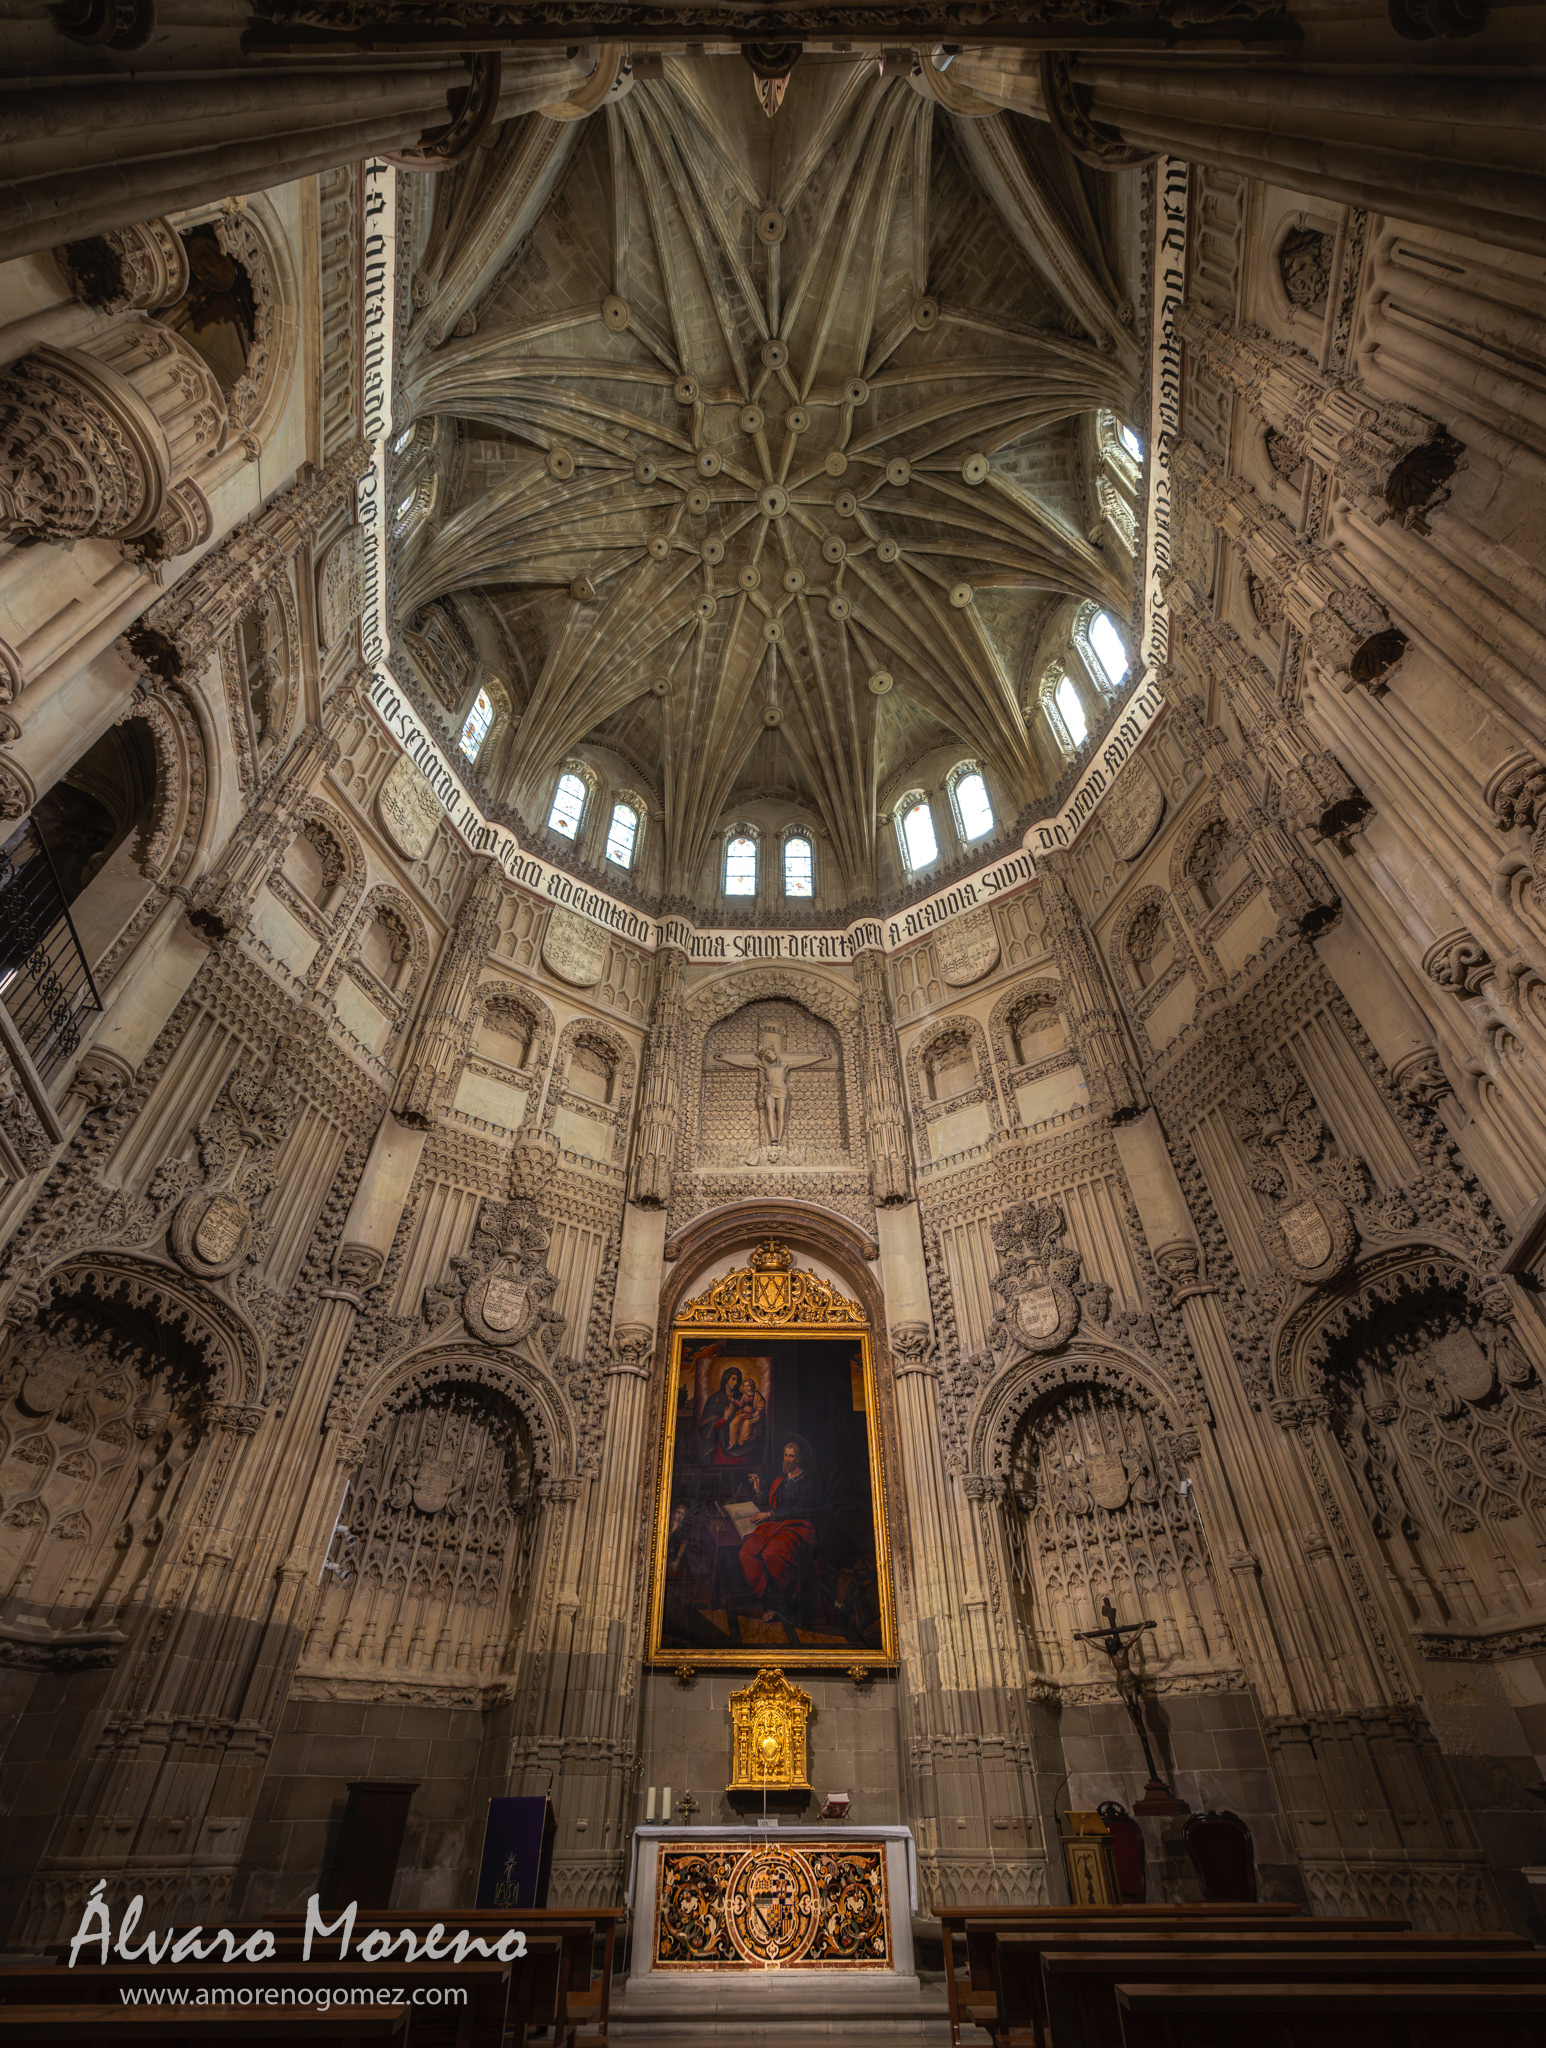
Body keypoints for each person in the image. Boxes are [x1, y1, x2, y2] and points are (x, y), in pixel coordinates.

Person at [738, 1436, 819, 1621]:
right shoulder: (780, 1480)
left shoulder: (808, 1482)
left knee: (771, 1554)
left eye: (791, 1456)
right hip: (774, 1526)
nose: (787, 1459)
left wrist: (770, 1515)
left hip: (797, 1527)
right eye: (785, 1455)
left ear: (798, 1459)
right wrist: (758, 1490)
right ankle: (767, 1597)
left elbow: (801, 1510)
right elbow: (767, 1504)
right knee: (746, 1552)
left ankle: (776, 1605)